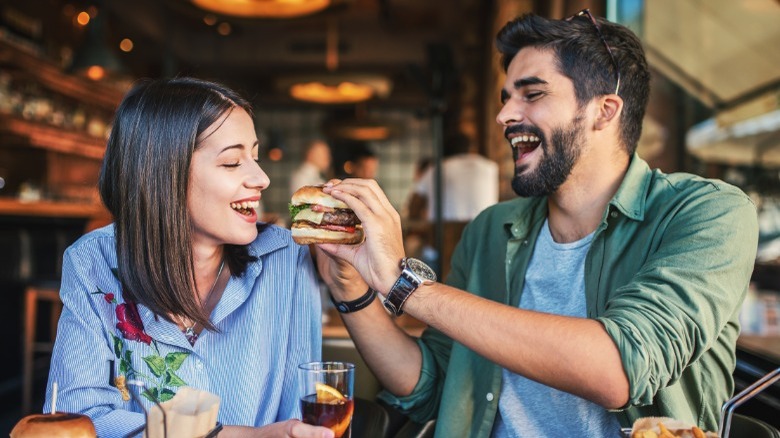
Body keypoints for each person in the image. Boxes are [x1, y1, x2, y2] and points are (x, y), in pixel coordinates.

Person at [314, 10, 758, 437]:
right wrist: (351, 288)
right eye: (506, 97)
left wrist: (403, 284)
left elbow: (618, 368)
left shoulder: (708, 213)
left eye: (533, 94)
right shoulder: (490, 229)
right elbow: (431, 386)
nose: (504, 116)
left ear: (604, 110)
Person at [43, 78, 332, 438]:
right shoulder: (93, 261)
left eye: (255, 158)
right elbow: (76, 421)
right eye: (231, 162)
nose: (261, 178)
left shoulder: (287, 258)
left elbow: (302, 415)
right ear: (163, 172)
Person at [414, 132, 499, 221]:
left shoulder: (436, 169)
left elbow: (415, 204)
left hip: (445, 230)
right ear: (471, 148)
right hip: (484, 226)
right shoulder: (490, 167)